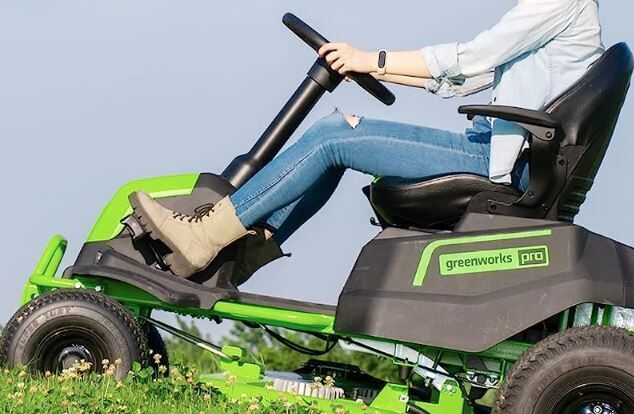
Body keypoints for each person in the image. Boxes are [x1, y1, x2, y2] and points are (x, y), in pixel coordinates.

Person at [130, 0, 604, 278]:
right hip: (496, 153)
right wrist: (374, 69)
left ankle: (203, 237)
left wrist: (370, 59)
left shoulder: (559, 3)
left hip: (489, 160)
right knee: (336, 141)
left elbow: (471, 58)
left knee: (334, 134)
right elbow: (465, 79)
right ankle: (243, 255)